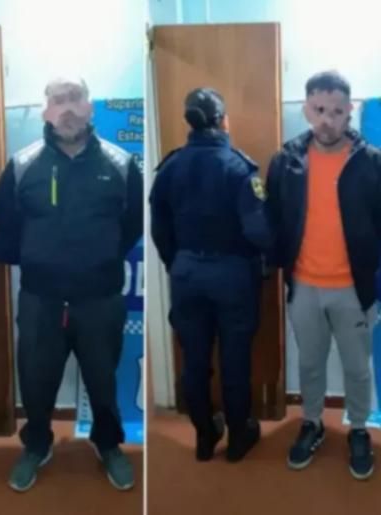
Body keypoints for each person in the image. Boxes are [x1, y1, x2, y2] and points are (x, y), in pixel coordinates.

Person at [0, 77, 142, 492]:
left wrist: (99, 261)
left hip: (100, 299)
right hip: (41, 300)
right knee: (36, 382)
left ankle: (108, 443)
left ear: (90, 106)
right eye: (58, 100)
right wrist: (42, 261)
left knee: (103, 380)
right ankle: (37, 444)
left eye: (75, 98)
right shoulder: (22, 165)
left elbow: (131, 226)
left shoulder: (120, 164)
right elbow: (6, 228)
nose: (68, 108)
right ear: (46, 111)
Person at [265, 71, 381, 480]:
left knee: (357, 367)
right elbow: (273, 219)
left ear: (349, 110)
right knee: (311, 364)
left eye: (336, 111)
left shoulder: (372, 162)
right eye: (319, 110)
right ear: (306, 109)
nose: (328, 120)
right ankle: (312, 422)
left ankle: (359, 428)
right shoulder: (286, 161)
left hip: (353, 289)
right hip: (304, 287)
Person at [150, 87, 271, 463]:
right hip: (233, 274)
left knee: (194, 361)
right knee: (235, 359)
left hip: (186, 273)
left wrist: (177, 263)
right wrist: (271, 258)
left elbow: (159, 229)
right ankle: (238, 438)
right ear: (223, 121)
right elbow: (258, 230)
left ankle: (205, 436)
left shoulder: (170, 167)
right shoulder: (239, 168)